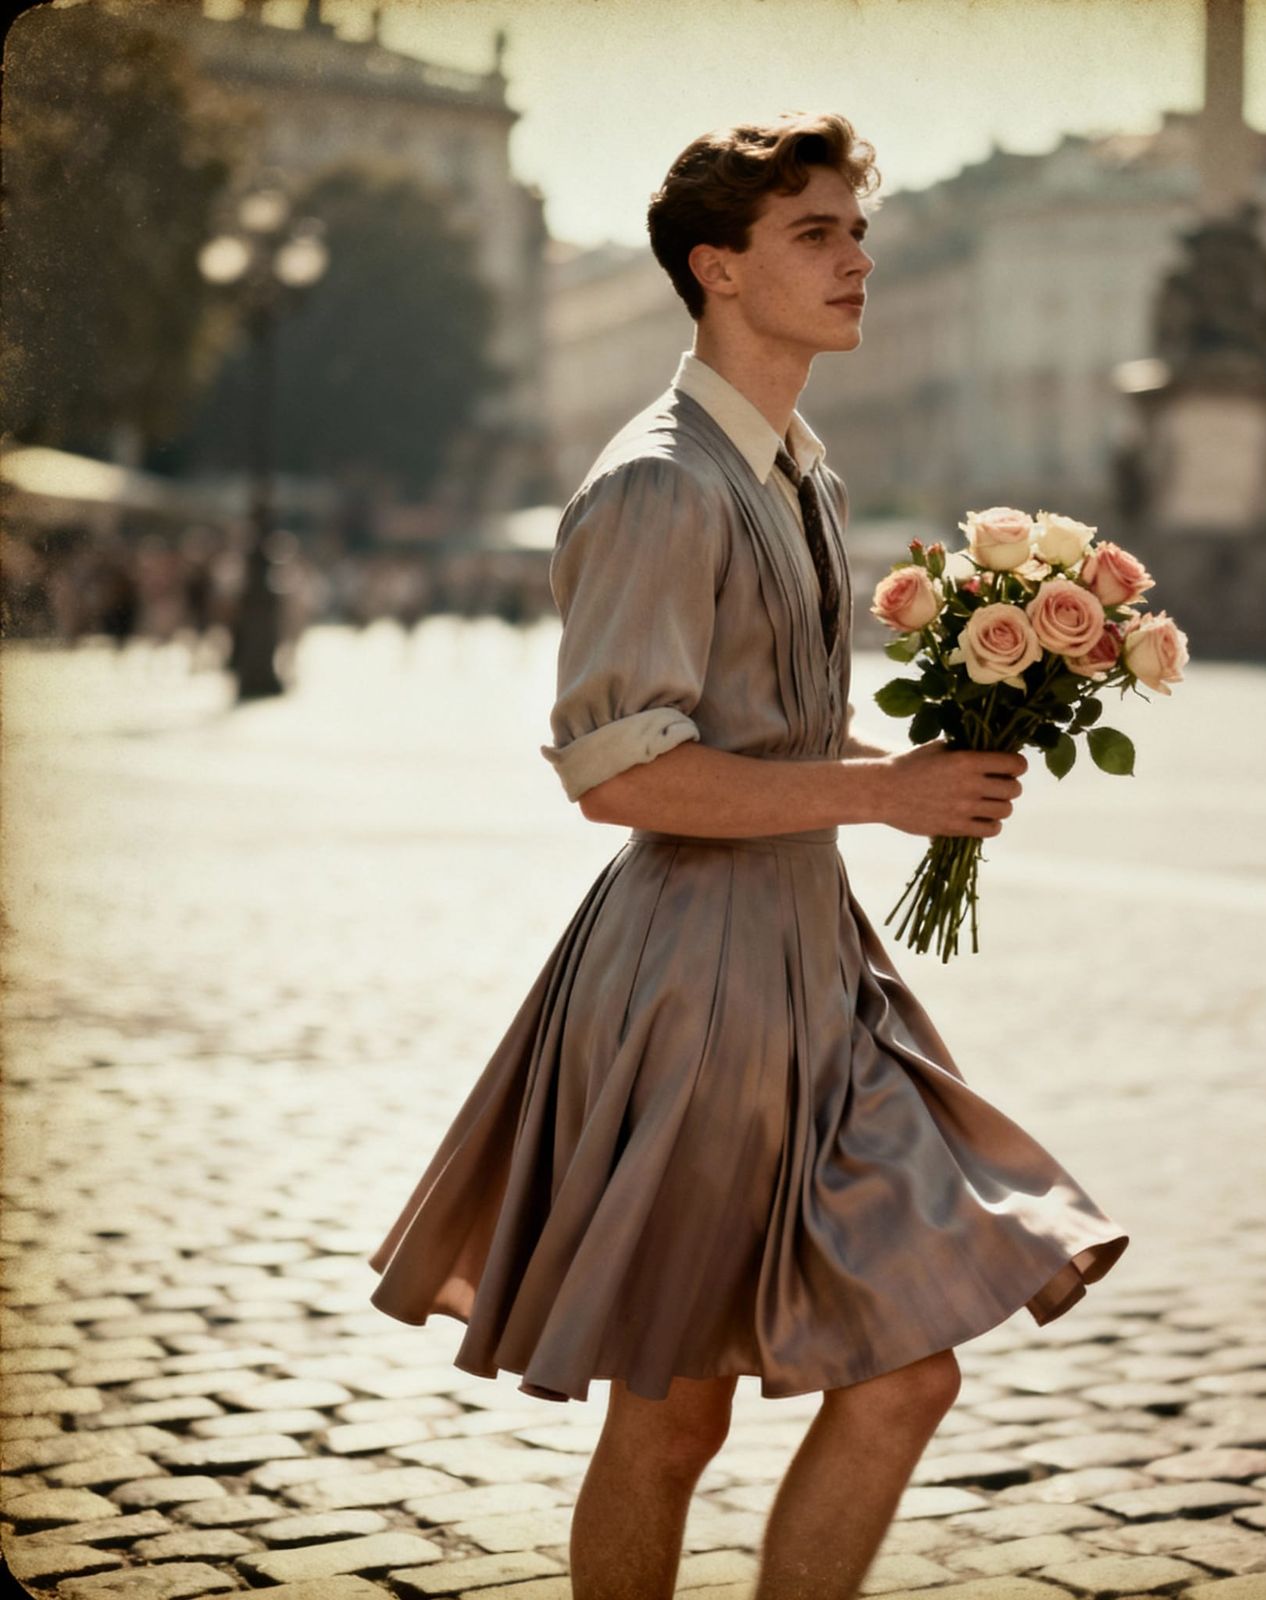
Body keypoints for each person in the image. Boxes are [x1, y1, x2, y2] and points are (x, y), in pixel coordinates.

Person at [366, 112, 1130, 1600]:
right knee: (672, 1417)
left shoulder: (803, 478)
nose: (857, 261)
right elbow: (619, 773)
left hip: (816, 969)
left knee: (906, 1375)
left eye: (858, 232)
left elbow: (768, 732)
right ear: (717, 267)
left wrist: (930, 762)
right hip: (691, 989)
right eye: (814, 234)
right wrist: (882, 794)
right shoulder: (658, 481)